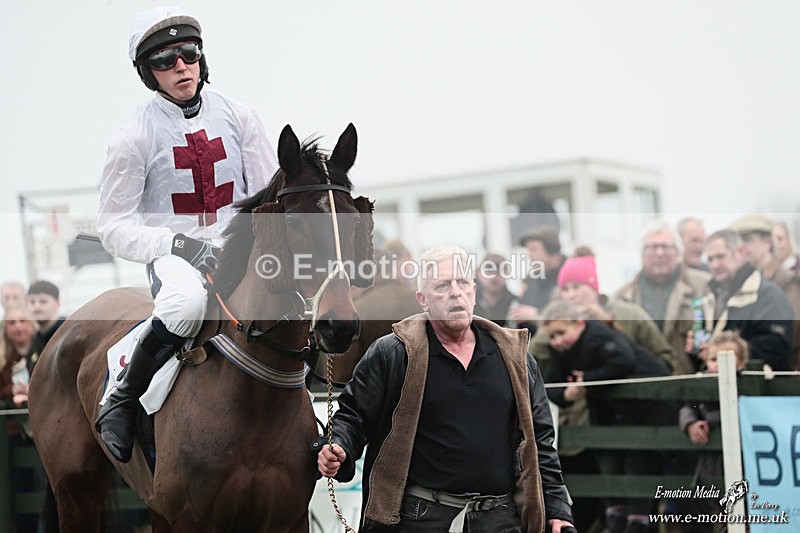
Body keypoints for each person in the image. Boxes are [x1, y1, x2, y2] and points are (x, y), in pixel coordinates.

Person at [94, 6, 277, 463]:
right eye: (164, 60)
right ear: (148, 73)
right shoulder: (133, 135)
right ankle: (121, 398)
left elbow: (267, 196)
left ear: (201, 58)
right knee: (186, 304)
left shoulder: (240, 116)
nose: (180, 66)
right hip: (175, 256)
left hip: (239, 248)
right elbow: (112, 228)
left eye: (188, 53)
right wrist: (175, 244)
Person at [317, 245, 574, 532]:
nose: (455, 292)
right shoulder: (393, 353)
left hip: (499, 517)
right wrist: (338, 445)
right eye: (442, 285)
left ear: (474, 291)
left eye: (462, 282)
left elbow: (541, 441)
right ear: (423, 299)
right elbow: (353, 417)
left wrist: (558, 509)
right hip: (422, 517)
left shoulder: (515, 357)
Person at [541, 299, 671, 533]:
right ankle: (616, 520)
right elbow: (552, 384)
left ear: (580, 323)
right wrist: (568, 393)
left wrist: (587, 381)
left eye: (561, 333)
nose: (557, 341)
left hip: (644, 413)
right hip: (611, 418)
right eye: (552, 336)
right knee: (610, 465)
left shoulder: (599, 336)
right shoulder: (563, 351)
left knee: (637, 465)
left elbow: (624, 359)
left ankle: (637, 522)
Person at [614, 220, 711, 374]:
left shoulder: (704, 286)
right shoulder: (623, 296)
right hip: (641, 387)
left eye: (666, 247)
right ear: (642, 254)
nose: (659, 253)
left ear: (678, 252)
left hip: (690, 384)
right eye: (653, 247)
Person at [692, 229, 794, 371]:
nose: (715, 265)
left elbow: (778, 345)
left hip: (759, 388)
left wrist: (726, 350)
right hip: (720, 386)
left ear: (740, 252)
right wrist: (697, 349)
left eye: (721, 256)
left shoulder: (767, 294)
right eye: (710, 259)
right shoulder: (710, 300)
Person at [678, 331, 749, 530]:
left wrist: (710, 420)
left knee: (743, 512)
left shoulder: (748, 384)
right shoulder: (701, 385)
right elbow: (688, 407)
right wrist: (690, 423)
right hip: (712, 463)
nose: (718, 364)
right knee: (717, 511)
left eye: (726, 358)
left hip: (743, 463)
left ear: (741, 362)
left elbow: (741, 411)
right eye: (713, 359)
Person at [730, 214, 800, 370]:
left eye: (747, 240)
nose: (741, 247)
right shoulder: (739, 283)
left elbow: (792, 336)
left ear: (768, 242)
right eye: (737, 241)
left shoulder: (787, 281)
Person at [1, 305, 39, 533]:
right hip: (15, 434)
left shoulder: (43, 351)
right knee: (20, 488)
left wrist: (30, 392)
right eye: (12, 322)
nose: (18, 327)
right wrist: (11, 394)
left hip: (45, 434)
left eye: (22, 321)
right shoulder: (3, 360)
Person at [510, 225, 567, 331]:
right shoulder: (530, 280)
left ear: (553, 252)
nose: (529, 255)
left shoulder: (571, 279)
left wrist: (538, 315)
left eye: (533, 249)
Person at [26, 280, 66, 368]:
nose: (37, 307)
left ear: (57, 304)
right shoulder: (34, 339)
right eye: (32, 302)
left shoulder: (68, 334)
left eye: (43, 301)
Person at [474, 252, 518, 326]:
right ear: (477, 273)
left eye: (500, 271)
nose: (494, 276)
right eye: (489, 270)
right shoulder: (467, 301)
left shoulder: (516, 304)